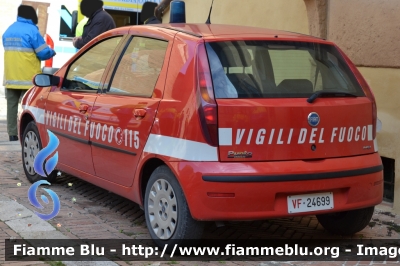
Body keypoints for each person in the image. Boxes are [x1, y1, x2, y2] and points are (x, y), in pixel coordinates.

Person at [2, 5, 56, 141]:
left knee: (12, 106)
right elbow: (43, 53)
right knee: (30, 106)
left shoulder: (8, 30)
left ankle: (12, 134)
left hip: (11, 77)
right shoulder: (32, 31)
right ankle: (28, 131)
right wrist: (52, 52)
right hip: (28, 78)